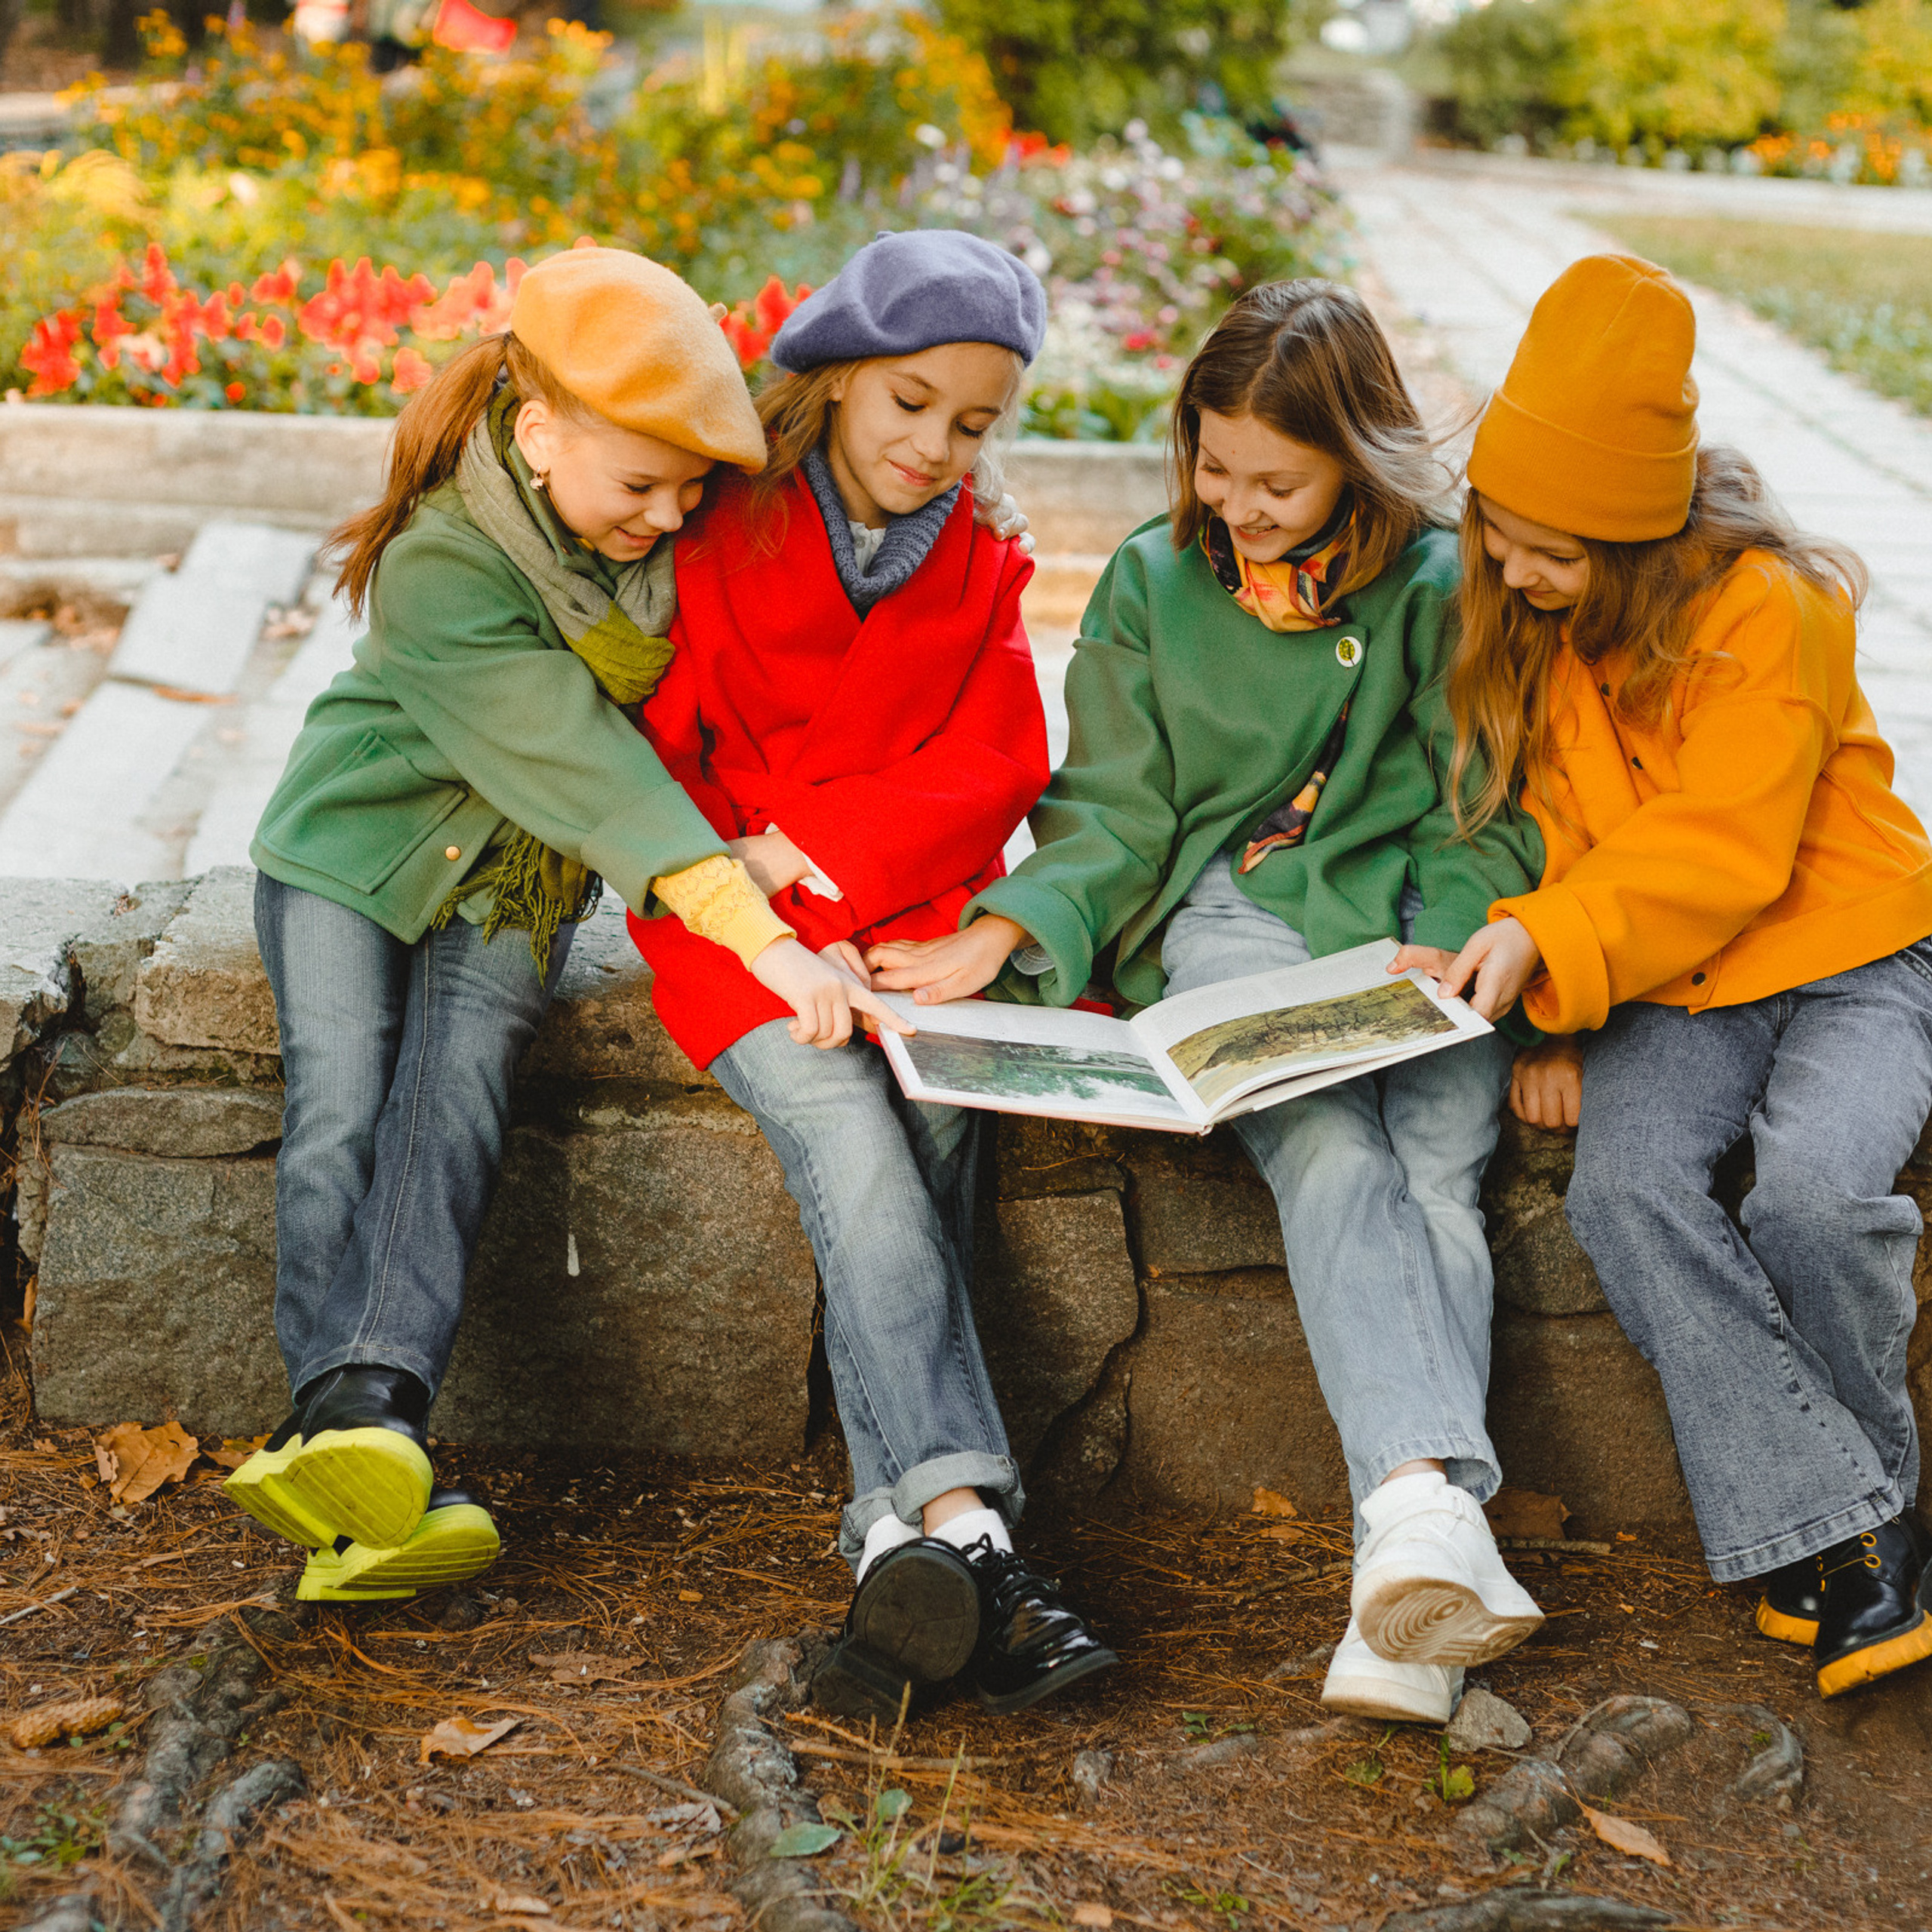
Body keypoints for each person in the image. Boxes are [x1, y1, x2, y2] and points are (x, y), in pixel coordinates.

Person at [870, 278, 1548, 1725]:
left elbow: (1484, 803)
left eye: (1277, 481)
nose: (1235, 504)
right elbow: (1113, 809)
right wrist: (1013, 927)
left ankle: (1408, 1609)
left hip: (1429, 931)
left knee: (1439, 1170)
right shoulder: (1150, 583)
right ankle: (1422, 1516)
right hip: (1237, 917)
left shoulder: (1442, 584)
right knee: (1325, 1144)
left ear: (1355, 459)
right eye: (1211, 463)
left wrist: (1450, 939)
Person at [230, 247, 906, 1604]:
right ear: (539, 435)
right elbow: (589, 769)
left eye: (688, 492)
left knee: (457, 1101)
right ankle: (342, 1436)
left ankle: (366, 1433)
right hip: (353, 858)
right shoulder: (441, 566)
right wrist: (754, 931)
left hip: (514, 879)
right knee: (342, 1110)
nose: (667, 520)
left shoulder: (645, 552)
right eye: (640, 487)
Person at [1433, 252, 1932, 1702]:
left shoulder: (1770, 609)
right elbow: (1571, 834)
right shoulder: (1540, 633)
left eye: (1553, 551)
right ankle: (1861, 1534)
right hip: (1676, 982)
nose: (1515, 572)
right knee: (1625, 1185)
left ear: (1642, 543)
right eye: (1499, 534)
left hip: (1854, 955)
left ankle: (1851, 1531)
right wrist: (1551, 980)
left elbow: (1724, 846)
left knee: (1817, 1197)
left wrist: (1564, 941)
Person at [629, 229, 1115, 1718]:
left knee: (932, 1132)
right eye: (908, 402)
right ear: (834, 378)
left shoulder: (977, 553)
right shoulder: (713, 528)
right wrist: (773, 898)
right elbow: (663, 766)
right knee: (849, 1133)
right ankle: (976, 1526)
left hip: (899, 921)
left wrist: (830, 863)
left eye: (971, 422)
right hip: (732, 926)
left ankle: (891, 1540)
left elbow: (998, 760)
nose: (933, 445)